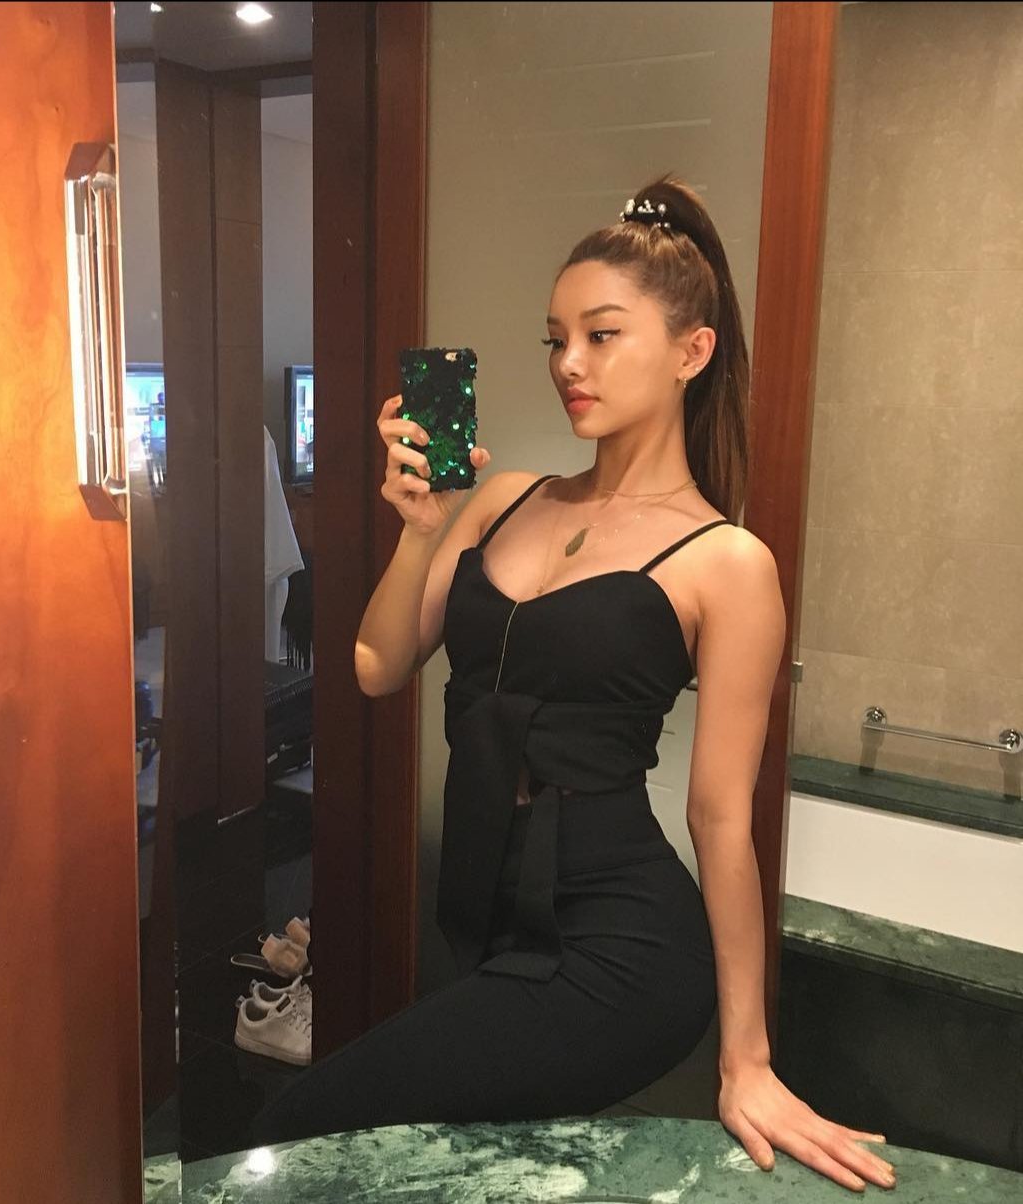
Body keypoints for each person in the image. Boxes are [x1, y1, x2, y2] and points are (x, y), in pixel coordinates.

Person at [249, 173, 897, 1195]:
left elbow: (721, 817)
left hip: (621, 943)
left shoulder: (726, 562)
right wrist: (419, 532)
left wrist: (747, 1059)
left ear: (692, 351)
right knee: (450, 1172)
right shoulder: (503, 500)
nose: (569, 364)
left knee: (304, 1128)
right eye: (556, 339)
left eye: (602, 335)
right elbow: (376, 667)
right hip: (489, 910)